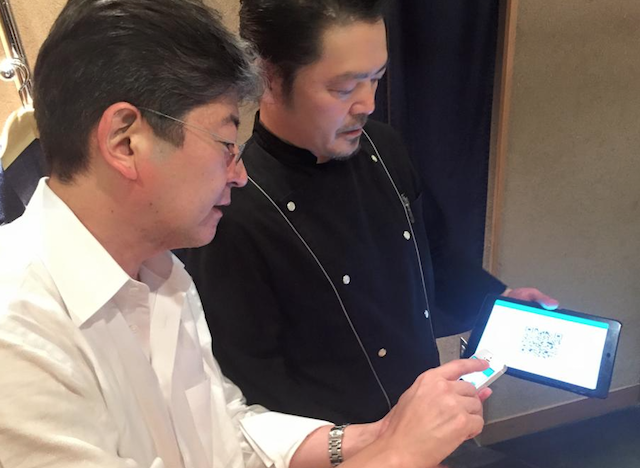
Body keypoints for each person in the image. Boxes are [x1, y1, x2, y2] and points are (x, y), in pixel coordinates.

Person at [0, 0, 495, 467]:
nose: (238, 174)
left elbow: (226, 431)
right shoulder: (17, 333)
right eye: (224, 142)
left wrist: (377, 434)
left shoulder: (162, 274)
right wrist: (395, 454)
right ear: (125, 142)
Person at [184, 0, 558, 424]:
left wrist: (496, 301)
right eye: (344, 89)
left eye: (376, 79)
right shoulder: (234, 209)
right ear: (268, 77)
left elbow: (435, 258)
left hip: (428, 423)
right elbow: (255, 389)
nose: (368, 104)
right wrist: (379, 444)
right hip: (339, 445)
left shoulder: (385, 147)